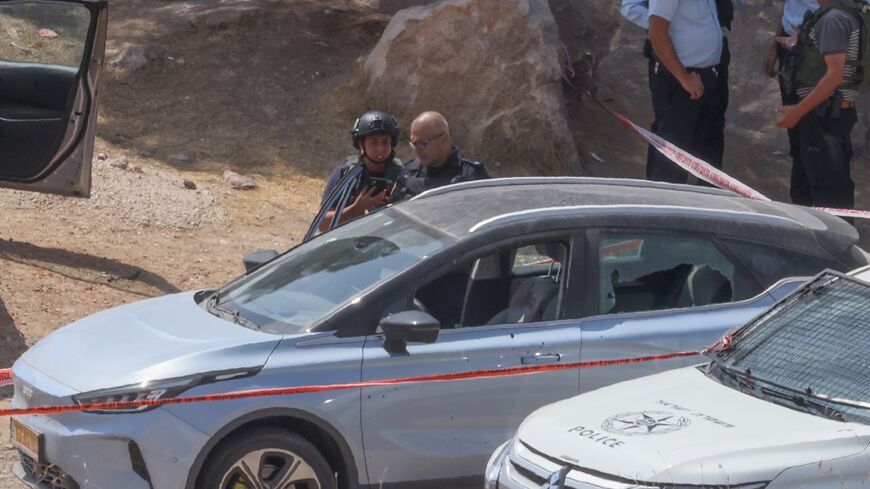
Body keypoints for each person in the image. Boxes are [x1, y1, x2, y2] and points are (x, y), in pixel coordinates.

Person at [621, 0, 741, 173]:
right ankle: (664, 198)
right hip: (681, 77)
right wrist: (684, 79)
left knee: (703, 138)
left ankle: (697, 197)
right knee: (673, 150)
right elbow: (657, 33)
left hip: (705, 74)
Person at [776, 0, 863, 211]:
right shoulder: (834, 15)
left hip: (824, 116)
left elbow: (834, 75)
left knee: (830, 194)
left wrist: (798, 110)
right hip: (824, 113)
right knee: (817, 179)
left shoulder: (833, 20)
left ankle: (834, 241)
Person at [762, 0, 820, 206]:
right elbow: (788, 9)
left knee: (818, 139)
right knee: (797, 139)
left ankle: (821, 212)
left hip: (820, 55)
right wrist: (774, 47)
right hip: (790, 52)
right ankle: (801, 204)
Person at [318, 110, 404, 231]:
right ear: (361, 144)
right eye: (373, 142)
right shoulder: (345, 174)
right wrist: (356, 208)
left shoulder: (403, 176)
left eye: (385, 142)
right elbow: (322, 224)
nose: (380, 149)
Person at [392, 111, 489, 200]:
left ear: (444, 140)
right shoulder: (409, 172)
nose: (417, 150)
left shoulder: (471, 175)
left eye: (422, 144)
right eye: (414, 144)